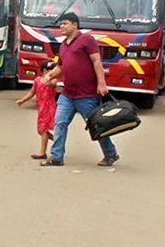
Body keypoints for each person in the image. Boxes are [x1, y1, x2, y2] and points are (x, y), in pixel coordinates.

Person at [39, 12, 119, 167]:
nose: (61, 26)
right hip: (67, 94)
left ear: (75, 25)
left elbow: (96, 60)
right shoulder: (62, 46)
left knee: (96, 125)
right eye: (61, 24)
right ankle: (56, 157)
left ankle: (110, 154)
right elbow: (61, 66)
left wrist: (101, 83)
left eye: (65, 23)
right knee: (60, 122)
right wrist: (50, 75)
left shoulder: (86, 40)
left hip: (86, 95)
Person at [15, 59, 58, 160]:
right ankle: (58, 140)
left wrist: (49, 79)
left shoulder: (53, 81)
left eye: (52, 70)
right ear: (42, 71)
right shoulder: (37, 80)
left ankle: (42, 152)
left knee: (43, 130)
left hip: (49, 107)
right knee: (40, 130)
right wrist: (22, 100)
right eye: (47, 70)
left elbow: (52, 84)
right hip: (41, 108)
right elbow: (32, 93)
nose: (49, 73)